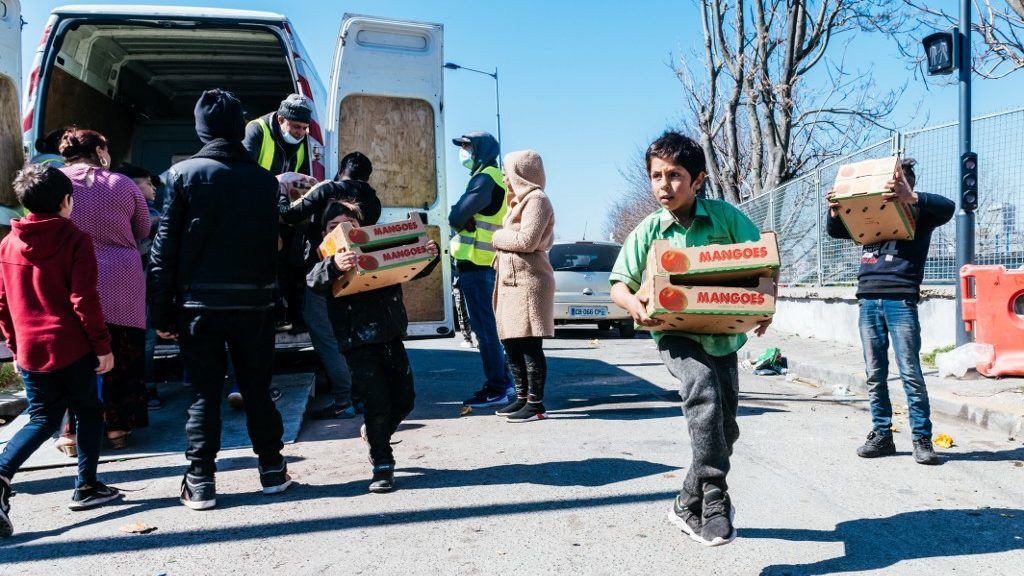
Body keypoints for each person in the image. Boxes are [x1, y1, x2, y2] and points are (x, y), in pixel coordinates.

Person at [609, 132, 770, 547]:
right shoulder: (649, 230)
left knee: (725, 427)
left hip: (722, 336)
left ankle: (685, 501)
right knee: (703, 393)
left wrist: (766, 305)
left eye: (675, 176)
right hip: (674, 332)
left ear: (698, 180)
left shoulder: (725, 218)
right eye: (657, 176)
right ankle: (715, 498)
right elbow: (619, 284)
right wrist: (633, 305)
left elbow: (765, 260)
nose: (665, 185)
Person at [149, 89, 291, 510]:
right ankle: (271, 470)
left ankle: (201, 481)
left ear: (201, 128)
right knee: (258, 390)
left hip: (199, 308)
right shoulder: (265, 181)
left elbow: (164, 249)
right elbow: (274, 246)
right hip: (255, 304)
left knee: (203, 394)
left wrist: (160, 309)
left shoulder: (182, 175)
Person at [0, 165, 121, 538]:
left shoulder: (8, 243)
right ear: (66, 201)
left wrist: (16, 347)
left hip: (31, 349)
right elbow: (84, 299)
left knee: (42, 419)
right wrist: (102, 346)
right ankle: (86, 486)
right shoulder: (75, 239)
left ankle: (3, 473)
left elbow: (2, 303)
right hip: (73, 346)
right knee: (88, 410)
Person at [826, 158, 954, 465]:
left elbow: (948, 207)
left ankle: (922, 438)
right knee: (874, 374)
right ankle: (881, 435)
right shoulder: (866, 214)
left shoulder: (920, 214)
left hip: (900, 300)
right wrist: (833, 210)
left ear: (906, 183)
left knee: (910, 373)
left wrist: (911, 198)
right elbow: (836, 232)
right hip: (868, 299)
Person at [307, 199, 439, 492]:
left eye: (350, 225)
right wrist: (333, 265)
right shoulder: (323, 256)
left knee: (405, 400)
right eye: (333, 226)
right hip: (356, 341)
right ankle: (382, 464)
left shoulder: (377, 246)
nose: (342, 230)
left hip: (390, 334)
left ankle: (374, 434)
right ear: (325, 233)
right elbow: (313, 280)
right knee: (376, 402)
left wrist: (429, 255)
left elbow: (413, 265)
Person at [60, 128, 150, 450]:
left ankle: (71, 432)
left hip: (70, 277)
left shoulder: (54, 182)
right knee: (123, 351)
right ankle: (117, 429)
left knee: (76, 356)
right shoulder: (120, 183)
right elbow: (141, 228)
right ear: (99, 150)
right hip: (122, 279)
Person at [280, 151, 380, 420]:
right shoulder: (373, 199)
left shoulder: (329, 189)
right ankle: (359, 397)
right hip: (355, 272)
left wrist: (281, 188)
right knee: (351, 337)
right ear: (367, 176)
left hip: (325, 271)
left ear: (341, 170)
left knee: (325, 337)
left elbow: (288, 215)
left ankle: (343, 401)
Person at [448, 132, 513, 408]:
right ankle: (506, 384)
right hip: (487, 264)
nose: (463, 152)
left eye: (466, 146)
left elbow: (455, 216)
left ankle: (498, 387)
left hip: (477, 264)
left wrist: (461, 218)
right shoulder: (495, 177)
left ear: (481, 150)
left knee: (485, 331)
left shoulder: (485, 178)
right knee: (491, 329)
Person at [243, 93, 316, 336]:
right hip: (256, 211)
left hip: (284, 214)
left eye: (305, 128)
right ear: (281, 119)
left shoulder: (304, 140)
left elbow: (302, 176)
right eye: (296, 127)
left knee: (290, 265)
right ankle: (265, 318)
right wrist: (279, 180)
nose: (300, 133)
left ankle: (292, 316)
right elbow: (242, 173)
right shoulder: (257, 130)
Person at [491, 150, 556, 422]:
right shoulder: (517, 201)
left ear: (521, 172)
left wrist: (497, 236)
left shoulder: (537, 200)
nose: (504, 177)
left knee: (529, 343)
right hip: (510, 282)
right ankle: (520, 399)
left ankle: (535, 404)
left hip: (529, 282)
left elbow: (527, 241)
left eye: (508, 171)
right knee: (512, 343)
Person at [115, 163, 164, 410]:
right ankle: (148, 390)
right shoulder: (151, 216)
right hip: (141, 288)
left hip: (125, 287)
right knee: (145, 342)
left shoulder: (111, 212)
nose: (153, 187)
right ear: (132, 186)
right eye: (147, 182)